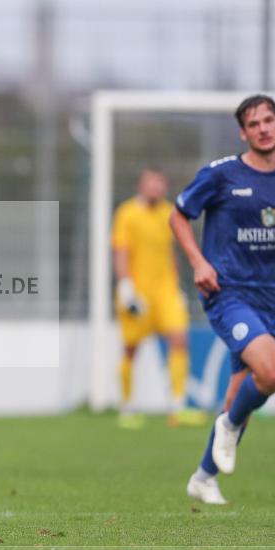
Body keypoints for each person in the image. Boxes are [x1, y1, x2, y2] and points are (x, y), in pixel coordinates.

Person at [171, 94, 275, 505]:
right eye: (254, 124)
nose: (263, 128)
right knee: (273, 371)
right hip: (225, 292)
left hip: (268, 299)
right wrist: (198, 262)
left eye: (269, 120)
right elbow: (178, 215)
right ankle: (229, 427)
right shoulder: (221, 175)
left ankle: (203, 477)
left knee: (240, 391)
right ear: (243, 133)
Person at [112, 169, 206, 429]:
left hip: (165, 291)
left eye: (159, 185)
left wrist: (177, 287)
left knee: (179, 339)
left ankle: (177, 407)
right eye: (151, 184)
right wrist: (125, 287)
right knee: (131, 348)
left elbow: (171, 252)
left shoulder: (169, 213)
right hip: (137, 292)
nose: (155, 189)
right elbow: (121, 252)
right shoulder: (127, 213)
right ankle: (127, 407)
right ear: (141, 186)